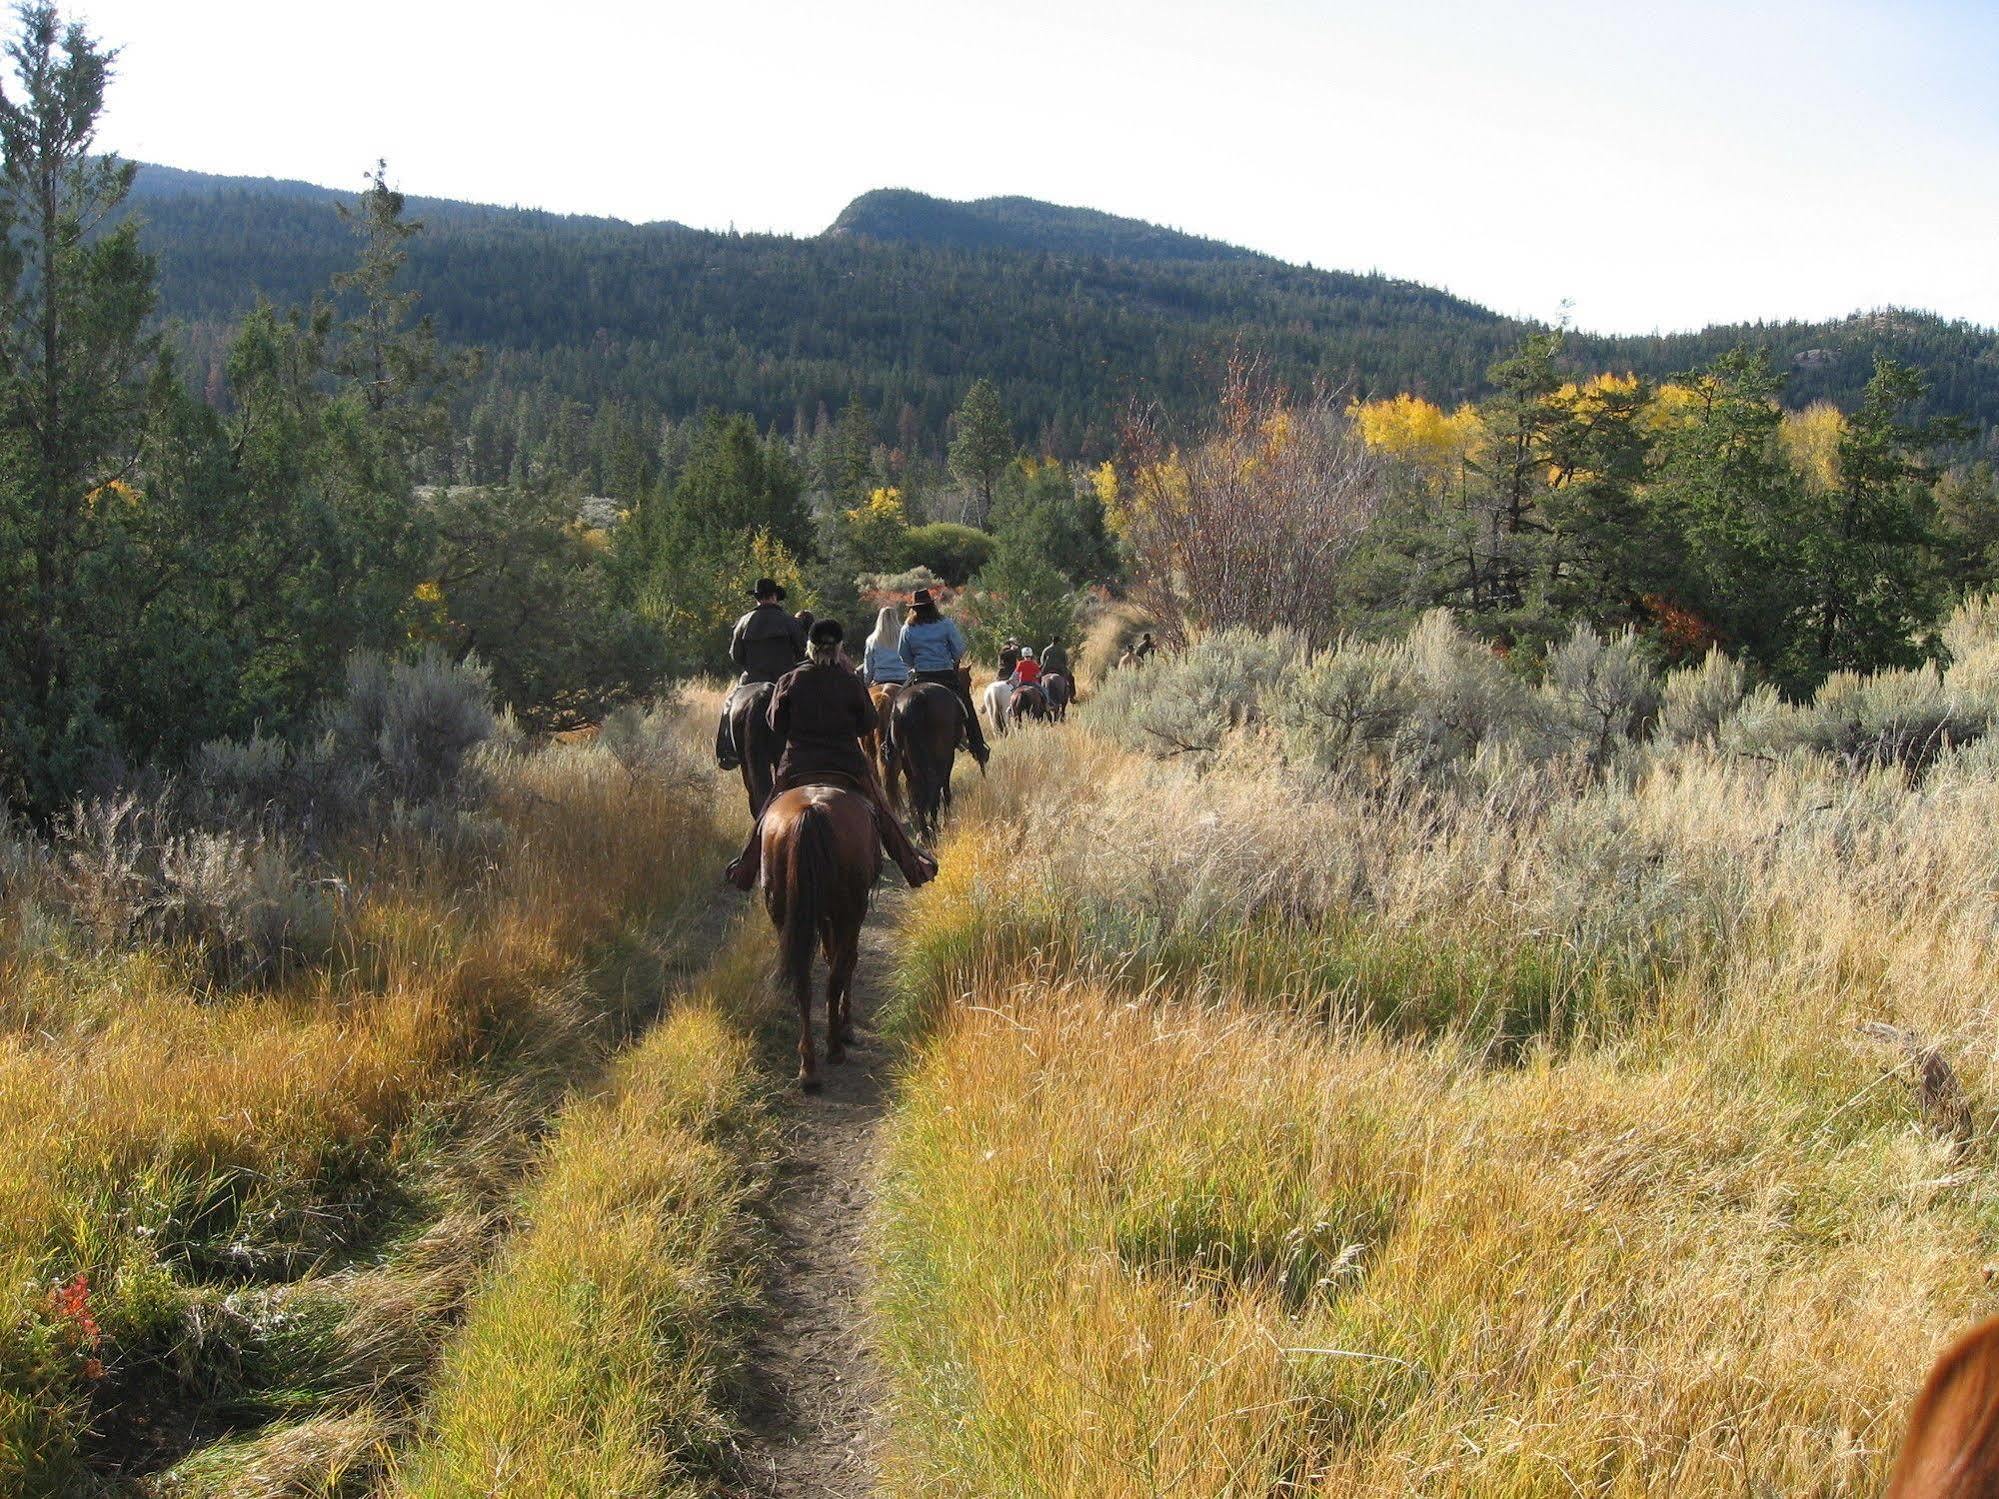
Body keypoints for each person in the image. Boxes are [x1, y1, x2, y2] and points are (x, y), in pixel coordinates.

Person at [725, 619, 938, 890]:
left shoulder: (789, 680)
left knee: (768, 810)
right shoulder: (850, 681)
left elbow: (776, 724)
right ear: (839, 648)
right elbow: (867, 724)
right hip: (846, 764)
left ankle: (745, 870)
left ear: (809, 647)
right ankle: (913, 865)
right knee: (883, 810)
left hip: (797, 764)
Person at [716, 577, 806, 768]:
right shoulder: (790, 622)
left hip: (751, 680)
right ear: (775, 597)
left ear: (757, 598)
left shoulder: (743, 622)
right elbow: (801, 653)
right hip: (785, 682)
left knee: (729, 706)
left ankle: (728, 751)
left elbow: (736, 657)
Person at [897, 588, 989, 764]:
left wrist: (916, 663)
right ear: (932, 606)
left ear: (914, 609)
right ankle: (978, 746)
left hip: (920, 675)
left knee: (898, 701)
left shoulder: (907, 628)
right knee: (967, 705)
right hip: (945, 674)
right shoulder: (946, 624)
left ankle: (889, 746)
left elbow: (904, 655)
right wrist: (951, 660)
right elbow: (959, 649)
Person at [861, 605, 910, 687]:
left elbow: (868, 666)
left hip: (881, 678)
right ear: (896, 618)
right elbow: (909, 659)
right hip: (902, 678)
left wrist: (866, 682)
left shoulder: (872, 640)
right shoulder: (904, 636)